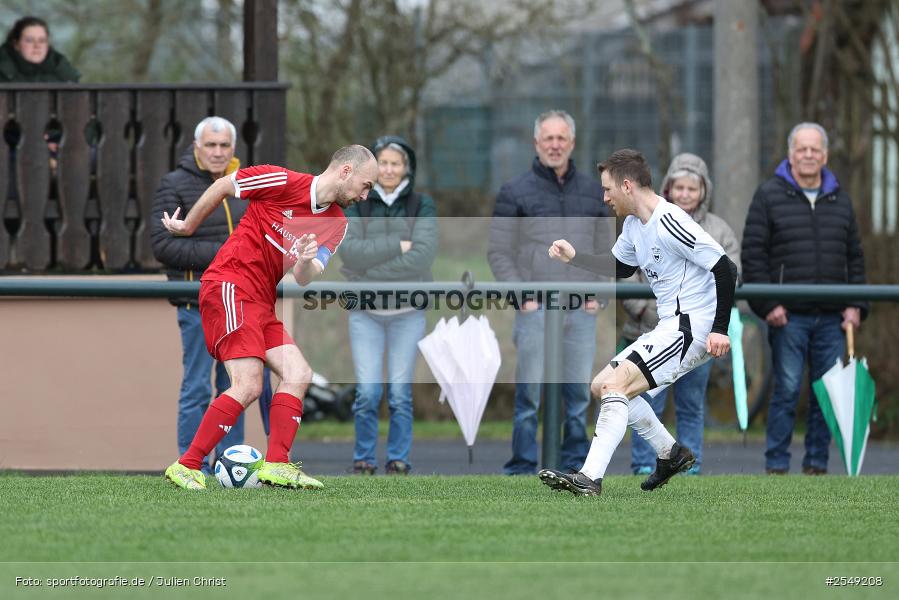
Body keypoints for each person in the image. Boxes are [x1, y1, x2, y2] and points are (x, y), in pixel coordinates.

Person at [160, 144, 378, 490]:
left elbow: (305, 276)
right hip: (229, 284)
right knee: (247, 384)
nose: (366, 196)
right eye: (366, 185)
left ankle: (276, 464)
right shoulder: (281, 180)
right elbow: (222, 186)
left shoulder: (337, 223)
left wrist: (305, 258)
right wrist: (188, 227)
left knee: (298, 372)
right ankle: (186, 465)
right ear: (346, 172)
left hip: (261, 302)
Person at [538, 149, 737, 497]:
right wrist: (575, 259)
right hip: (670, 326)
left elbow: (724, 267)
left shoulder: (670, 220)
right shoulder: (633, 226)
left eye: (607, 190)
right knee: (602, 385)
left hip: (692, 329)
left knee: (616, 384)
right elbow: (621, 268)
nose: (605, 197)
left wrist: (720, 328)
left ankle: (590, 478)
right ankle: (670, 453)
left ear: (627, 186)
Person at [488, 109, 610, 475]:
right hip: (535, 310)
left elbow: (610, 252)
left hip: (579, 311)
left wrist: (598, 295)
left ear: (572, 143)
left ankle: (574, 466)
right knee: (530, 396)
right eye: (548, 138)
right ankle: (523, 467)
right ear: (536, 143)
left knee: (576, 397)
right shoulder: (514, 192)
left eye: (562, 139)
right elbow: (498, 252)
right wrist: (520, 298)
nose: (555, 145)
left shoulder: (593, 192)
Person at [741, 122, 867, 475]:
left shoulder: (841, 198)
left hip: (832, 316)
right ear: (790, 153)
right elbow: (753, 255)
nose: (808, 155)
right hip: (787, 316)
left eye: (815, 149)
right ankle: (777, 464)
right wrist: (768, 306)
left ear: (825, 156)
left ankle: (816, 463)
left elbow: (855, 257)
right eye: (802, 149)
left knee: (825, 394)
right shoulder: (768, 195)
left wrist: (856, 305)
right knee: (787, 388)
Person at [151, 116, 274, 474]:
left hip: (243, 304)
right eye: (210, 145)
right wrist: (230, 251)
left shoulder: (245, 186)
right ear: (196, 147)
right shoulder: (173, 184)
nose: (217, 152)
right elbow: (163, 246)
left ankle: (230, 465)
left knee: (236, 387)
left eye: (224, 146)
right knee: (195, 387)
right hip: (197, 304)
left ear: (233, 149)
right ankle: (192, 465)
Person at [627, 153, 741, 476]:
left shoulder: (718, 230)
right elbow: (626, 270)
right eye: (680, 187)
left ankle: (691, 464)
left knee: (692, 402)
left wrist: (708, 314)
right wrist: (645, 309)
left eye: (693, 188)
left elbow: (731, 271)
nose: (686, 194)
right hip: (646, 329)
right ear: (668, 188)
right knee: (643, 397)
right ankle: (645, 462)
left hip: (697, 334)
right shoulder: (644, 222)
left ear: (704, 191)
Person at [338, 136, 438, 475]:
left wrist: (369, 271)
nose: (390, 169)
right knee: (367, 393)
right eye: (384, 163)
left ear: (406, 167)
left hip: (408, 313)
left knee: (399, 394)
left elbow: (422, 257)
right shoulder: (357, 200)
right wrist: (398, 244)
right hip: (365, 312)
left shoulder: (422, 205)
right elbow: (349, 252)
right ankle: (363, 459)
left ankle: (399, 459)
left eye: (397, 163)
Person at [0, 16, 80, 82]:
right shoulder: (2, 73)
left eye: (42, 41)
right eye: (30, 40)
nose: (37, 46)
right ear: (16, 44)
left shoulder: (64, 74)